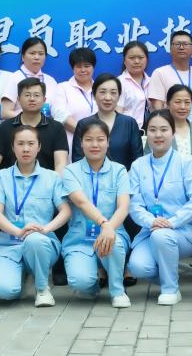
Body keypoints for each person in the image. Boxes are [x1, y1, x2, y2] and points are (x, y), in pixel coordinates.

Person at [127, 110, 192, 305]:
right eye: (153, 130)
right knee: (138, 267)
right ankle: (170, 272)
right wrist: (152, 221)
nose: (158, 135)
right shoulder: (138, 166)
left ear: (173, 133)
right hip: (151, 229)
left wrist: (172, 222)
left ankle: (171, 289)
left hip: (184, 231)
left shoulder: (186, 162)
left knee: (162, 236)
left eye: (164, 129)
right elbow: (134, 204)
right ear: (146, 133)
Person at [0, 125, 71, 306]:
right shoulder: (1, 177)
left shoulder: (52, 178)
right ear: (13, 147)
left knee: (34, 240)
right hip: (9, 244)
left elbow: (66, 211)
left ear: (39, 147)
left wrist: (45, 229)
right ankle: (22, 275)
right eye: (20, 144)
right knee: (3, 291)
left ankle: (42, 288)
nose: (25, 149)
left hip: (41, 243)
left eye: (31, 143)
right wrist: (18, 232)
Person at [61, 120, 132, 308]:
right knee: (80, 282)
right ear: (81, 143)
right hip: (80, 238)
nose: (95, 144)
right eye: (89, 139)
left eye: (100, 139)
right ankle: (91, 287)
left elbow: (123, 207)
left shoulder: (119, 170)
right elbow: (81, 202)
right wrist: (104, 223)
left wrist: (109, 228)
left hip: (112, 233)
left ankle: (117, 290)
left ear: (108, 142)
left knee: (113, 242)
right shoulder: (70, 171)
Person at [0, 77, 70, 174]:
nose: (32, 99)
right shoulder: (5, 127)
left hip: (47, 182)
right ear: (18, 100)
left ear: (44, 100)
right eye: (27, 95)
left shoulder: (56, 128)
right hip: (10, 182)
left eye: (36, 95)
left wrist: (55, 183)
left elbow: (60, 163)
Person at [71, 73, 144, 168]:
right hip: (90, 177)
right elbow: (77, 160)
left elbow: (138, 160)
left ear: (119, 96)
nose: (108, 98)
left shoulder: (129, 123)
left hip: (124, 176)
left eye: (113, 93)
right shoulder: (84, 124)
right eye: (102, 92)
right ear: (94, 95)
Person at [0, 37, 60, 119]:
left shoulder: (50, 80)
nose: (37, 57)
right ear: (23, 57)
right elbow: (5, 112)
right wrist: (30, 120)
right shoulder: (15, 78)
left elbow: (58, 110)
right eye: (32, 53)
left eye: (41, 54)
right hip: (21, 126)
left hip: (47, 125)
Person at [147, 30, 192, 121]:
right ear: (170, 49)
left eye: (185, 44)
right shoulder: (160, 73)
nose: (181, 47)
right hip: (171, 126)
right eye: (177, 44)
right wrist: (166, 125)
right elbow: (157, 106)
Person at [160, 84, 192, 172]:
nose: (183, 107)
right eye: (178, 102)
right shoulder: (159, 131)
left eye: (187, 102)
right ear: (168, 104)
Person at [54, 47, 99, 148]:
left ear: (93, 67)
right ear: (72, 68)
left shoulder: (100, 88)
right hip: (71, 143)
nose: (83, 70)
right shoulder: (62, 88)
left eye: (87, 66)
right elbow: (60, 115)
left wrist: (96, 136)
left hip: (98, 145)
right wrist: (86, 134)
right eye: (78, 66)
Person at [117, 41, 151, 127]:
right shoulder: (119, 83)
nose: (136, 61)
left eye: (141, 57)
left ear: (147, 60)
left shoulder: (152, 82)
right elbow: (117, 113)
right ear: (124, 61)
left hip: (150, 131)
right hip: (127, 131)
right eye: (132, 58)